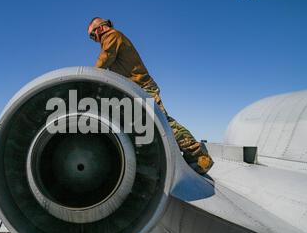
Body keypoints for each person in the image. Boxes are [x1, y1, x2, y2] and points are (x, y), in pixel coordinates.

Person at [87, 17, 214, 175]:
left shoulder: (112, 36)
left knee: (163, 123)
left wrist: (89, 78)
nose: (94, 40)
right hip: (136, 89)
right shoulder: (113, 38)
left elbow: (104, 59)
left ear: (99, 29)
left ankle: (200, 158)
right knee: (146, 126)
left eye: (92, 36)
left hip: (144, 88)